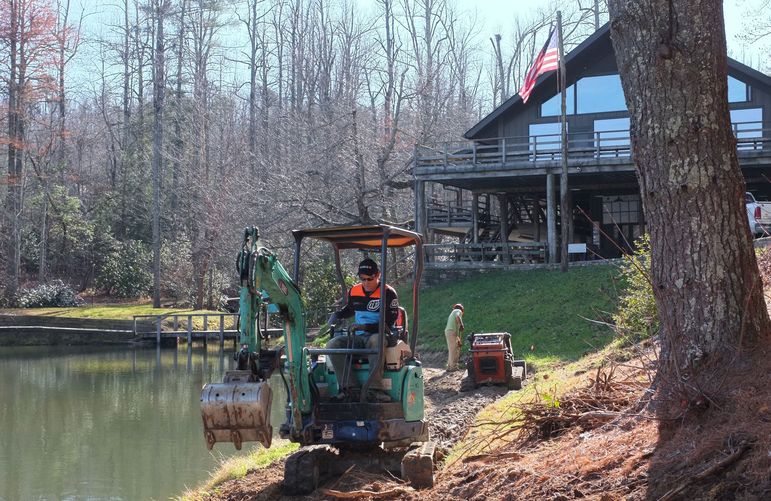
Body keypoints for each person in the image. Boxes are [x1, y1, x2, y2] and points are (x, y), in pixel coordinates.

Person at [325, 258, 399, 398]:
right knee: (333, 344)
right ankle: (350, 388)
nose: (366, 282)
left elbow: (389, 322)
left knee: (376, 341)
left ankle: (375, 389)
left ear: (378, 275)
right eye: (362, 278)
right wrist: (337, 315)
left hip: (379, 334)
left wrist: (365, 327)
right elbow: (350, 309)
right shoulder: (355, 291)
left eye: (369, 279)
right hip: (358, 336)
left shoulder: (388, 293)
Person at [444, 303, 465, 371]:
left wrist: (458, 340)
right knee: (453, 350)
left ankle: (449, 366)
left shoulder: (453, 313)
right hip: (451, 331)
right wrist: (461, 325)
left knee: (452, 349)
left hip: (449, 331)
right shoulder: (457, 311)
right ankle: (453, 367)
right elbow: (458, 316)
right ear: (461, 308)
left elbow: (457, 329)